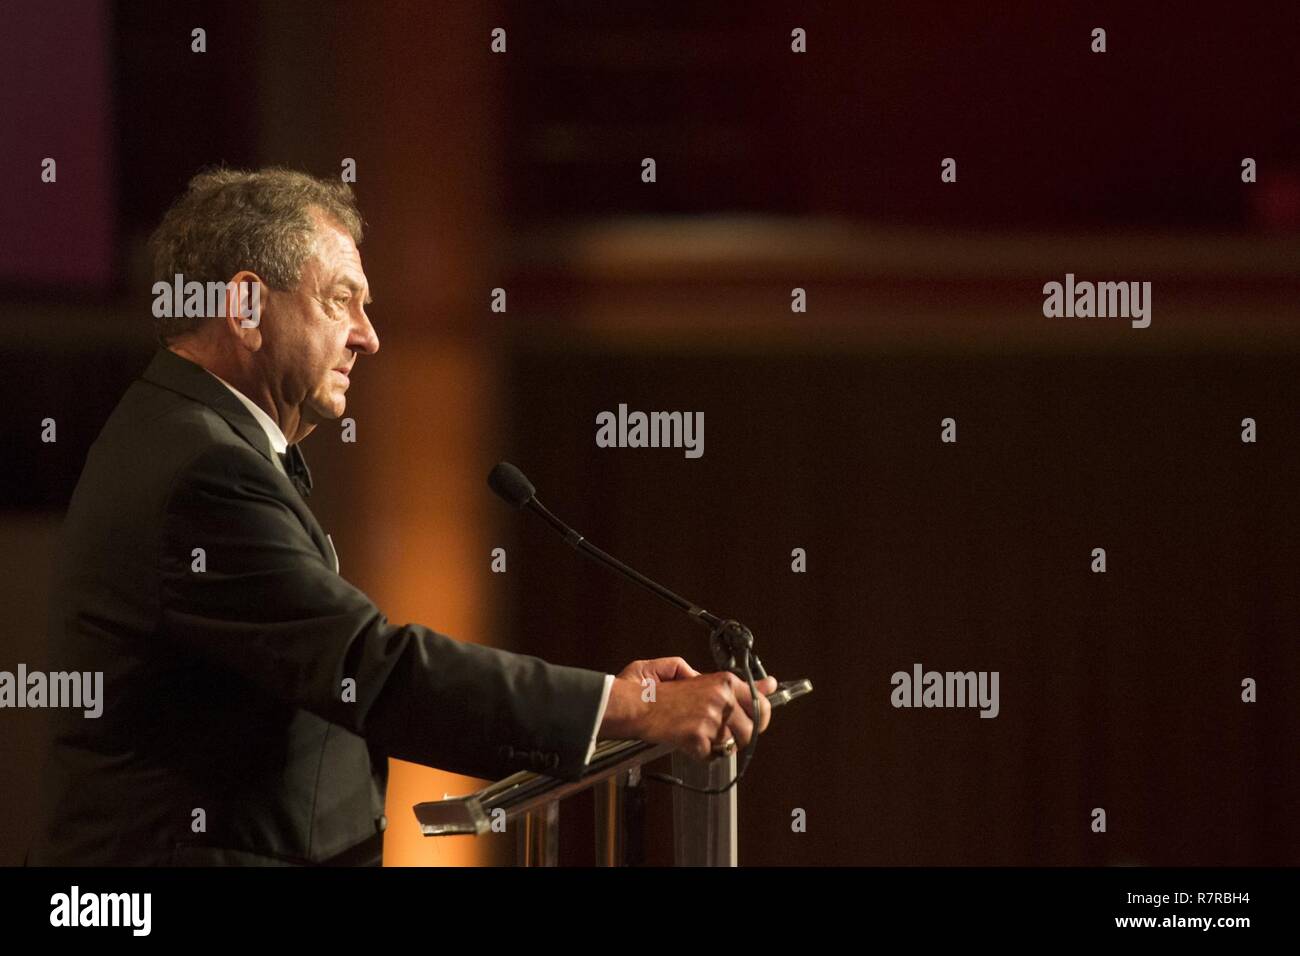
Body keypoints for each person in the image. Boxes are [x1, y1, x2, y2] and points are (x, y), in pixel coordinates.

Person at [26, 167, 774, 866]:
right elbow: (370, 670)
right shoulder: (201, 469)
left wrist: (618, 706)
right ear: (247, 307)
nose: (368, 334)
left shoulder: (185, 436)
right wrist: (629, 707)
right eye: (340, 298)